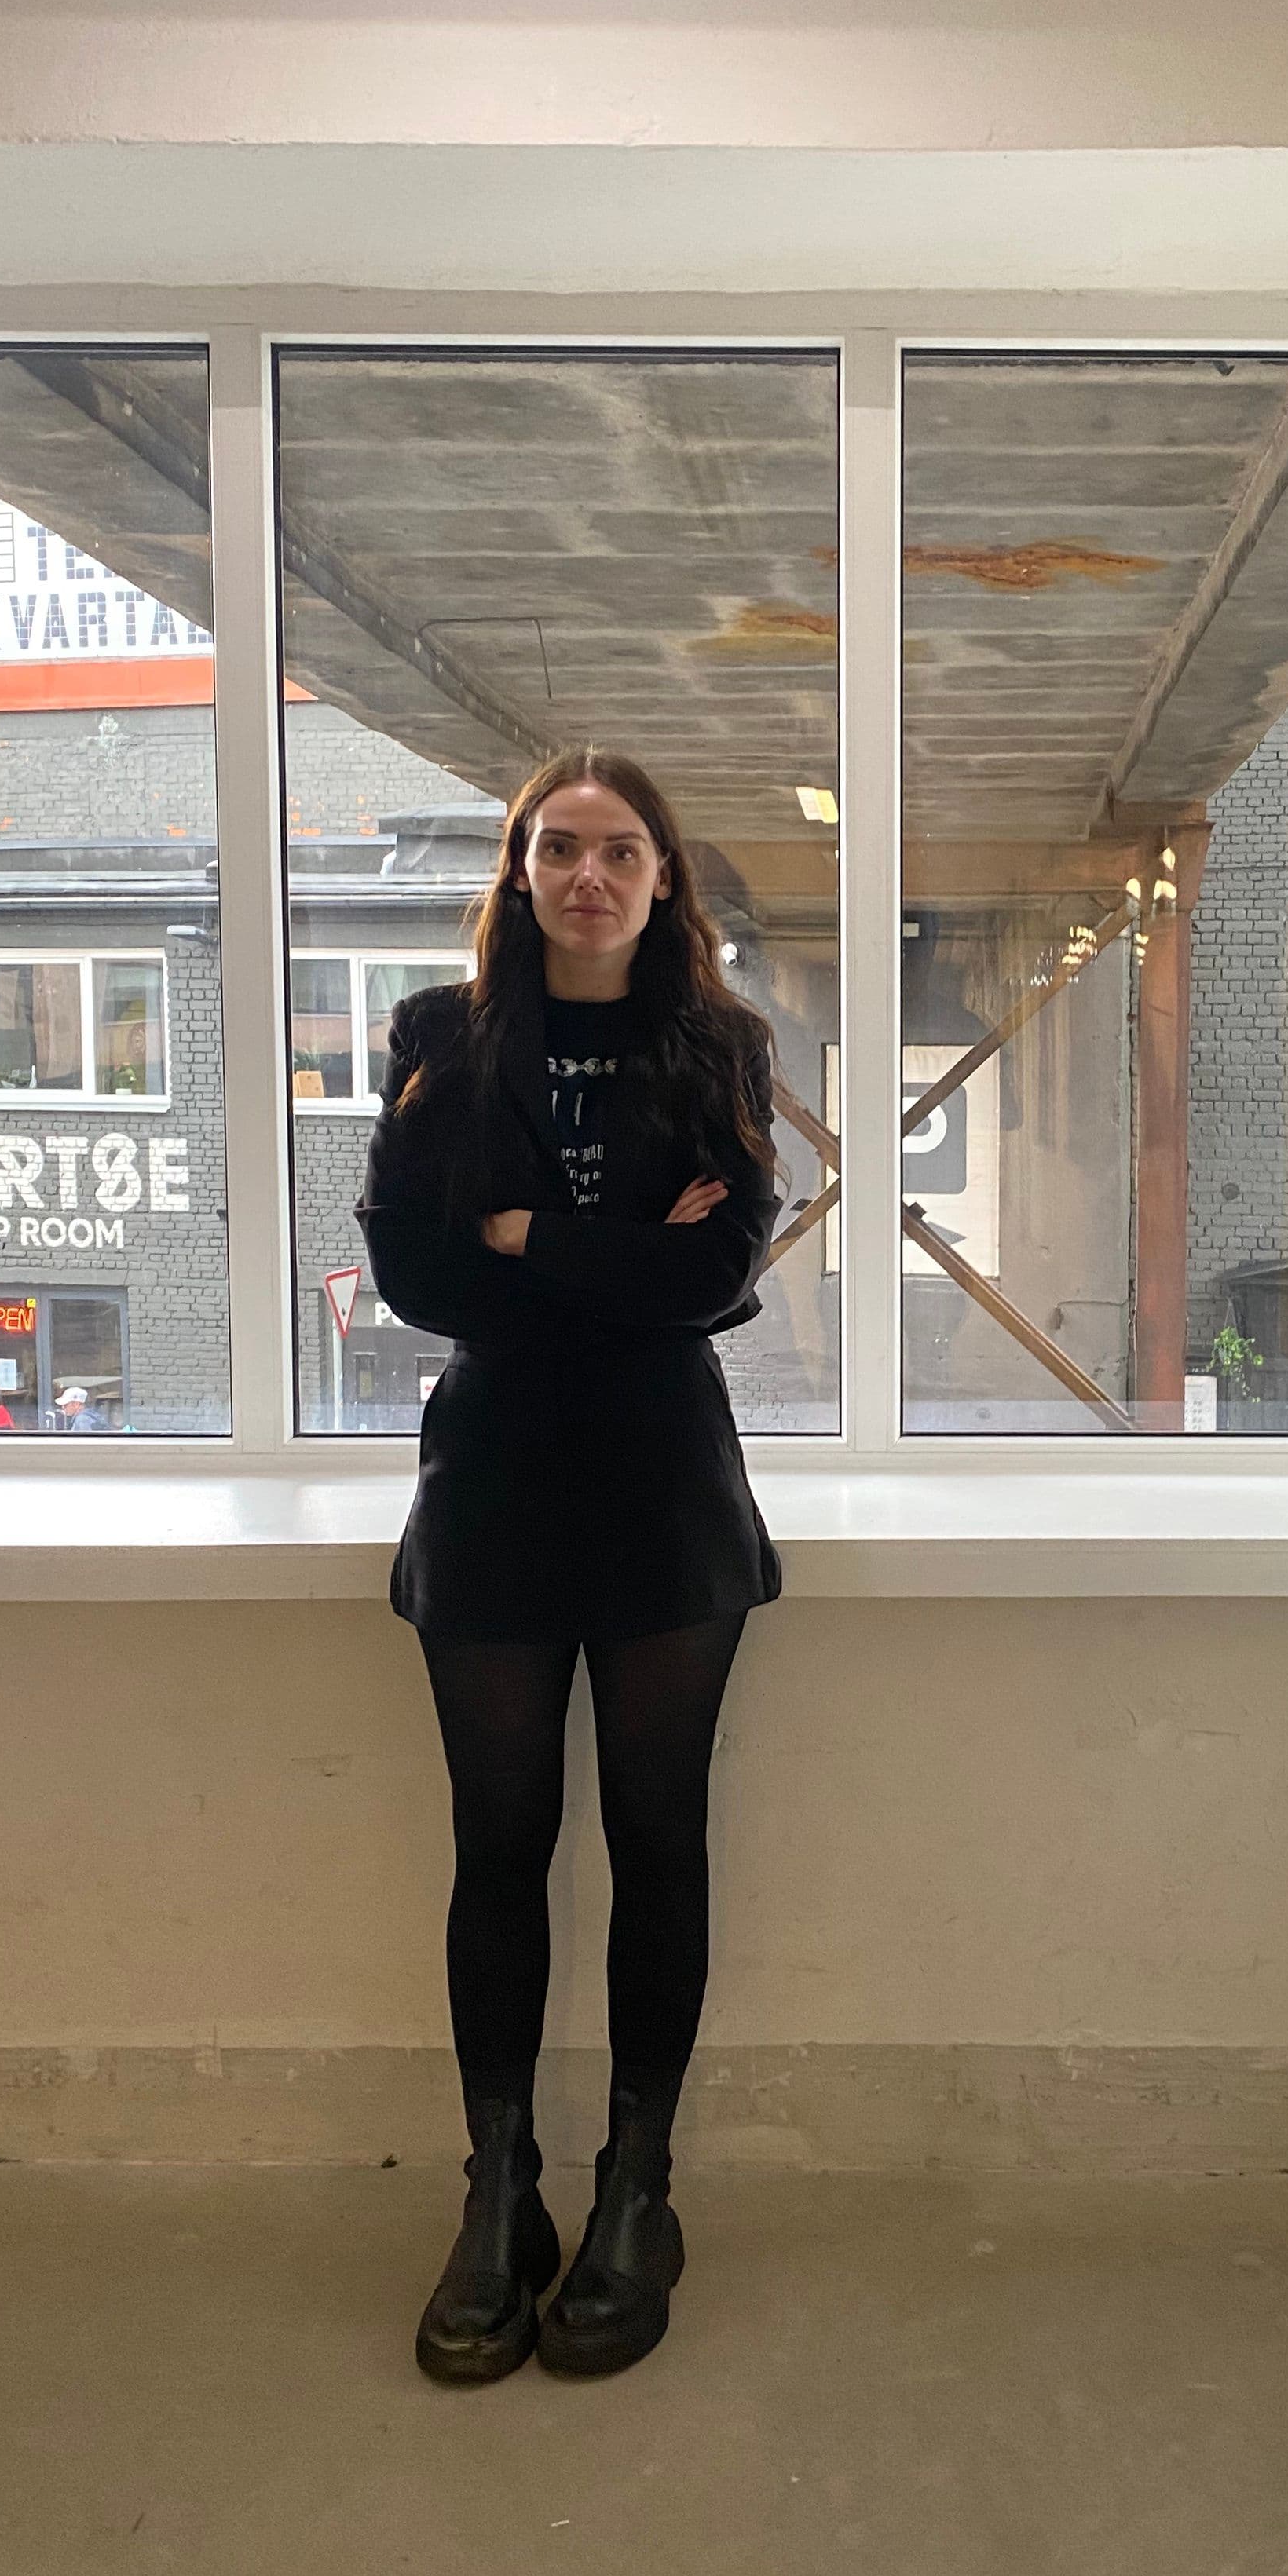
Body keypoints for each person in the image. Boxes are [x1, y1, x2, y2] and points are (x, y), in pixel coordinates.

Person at [359, 747, 785, 2390]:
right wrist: (625, 1259)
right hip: (495, 1483)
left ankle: (635, 2196)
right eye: (559, 849)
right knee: (500, 1847)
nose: (588, 876)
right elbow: (414, 1273)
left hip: (665, 1483)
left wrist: (528, 1232)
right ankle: (500, 2197)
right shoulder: (440, 1038)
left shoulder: (718, 1045)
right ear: (519, 872)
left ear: (663, 878)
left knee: (659, 1842)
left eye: (619, 850)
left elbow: (722, 1274)